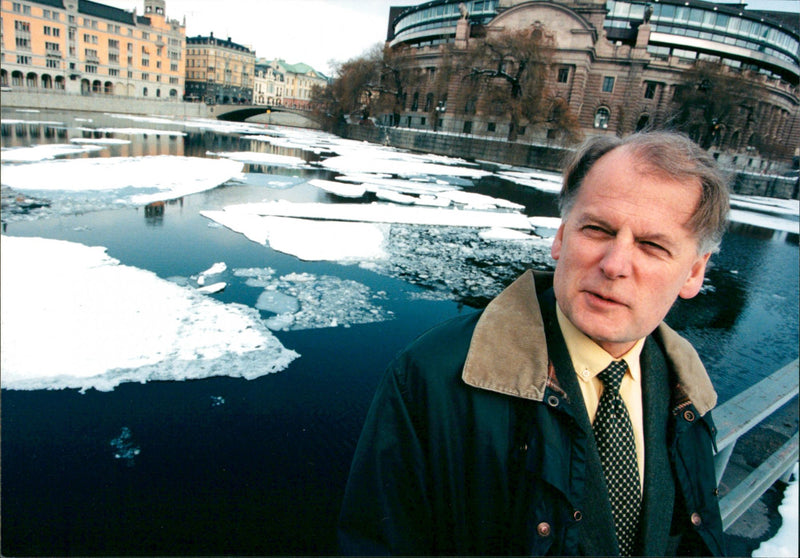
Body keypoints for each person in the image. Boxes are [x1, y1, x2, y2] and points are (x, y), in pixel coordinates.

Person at [338, 131, 729, 556]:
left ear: (694, 272)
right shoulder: (429, 378)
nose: (614, 265)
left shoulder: (687, 388)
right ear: (561, 237)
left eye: (652, 246)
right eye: (597, 229)